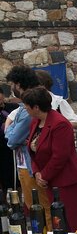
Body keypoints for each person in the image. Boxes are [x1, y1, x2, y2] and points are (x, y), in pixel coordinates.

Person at [23, 87, 77, 230]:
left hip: (66, 179)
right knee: (58, 219)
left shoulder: (60, 124)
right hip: (49, 179)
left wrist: (43, 175)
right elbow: (33, 150)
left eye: (27, 107)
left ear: (36, 107)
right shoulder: (35, 122)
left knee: (71, 218)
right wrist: (37, 172)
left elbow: (60, 156)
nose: (25, 109)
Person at [4, 66, 41, 213]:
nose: (12, 88)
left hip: (29, 165)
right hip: (24, 163)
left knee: (37, 207)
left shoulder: (27, 109)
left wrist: (8, 127)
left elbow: (12, 140)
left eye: (12, 84)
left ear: (18, 84)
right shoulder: (22, 107)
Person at [0, 88, 19, 190]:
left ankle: (19, 202)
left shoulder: (13, 107)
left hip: (13, 149)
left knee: (16, 179)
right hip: (1, 150)